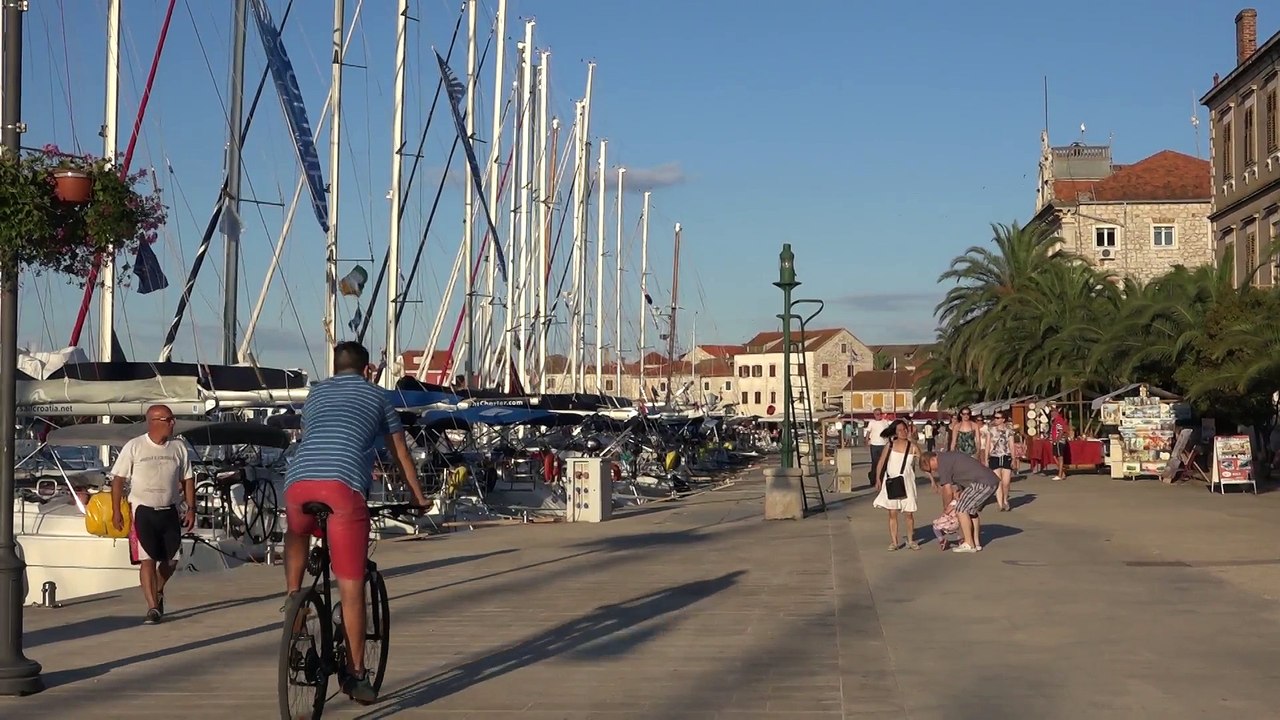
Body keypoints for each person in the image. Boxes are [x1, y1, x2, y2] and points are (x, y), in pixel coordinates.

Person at [284, 341, 429, 704]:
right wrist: (418, 497)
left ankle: (293, 603)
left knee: (297, 531)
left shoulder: (315, 396)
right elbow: (399, 452)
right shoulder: (379, 397)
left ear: (334, 368)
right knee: (351, 589)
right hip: (342, 486)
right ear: (368, 370)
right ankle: (357, 674)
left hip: (297, 482)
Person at [110, 404, 196, 624]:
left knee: (172, 560)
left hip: (170, 510)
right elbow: (118, 479)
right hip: (142, 511)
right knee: (147, 560)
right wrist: (116, 510)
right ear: (155, 422)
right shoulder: (135, 446)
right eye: (169, 419)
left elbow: (188, 479)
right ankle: (152, 607)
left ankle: (157, 589)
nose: (173, 423)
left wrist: (191, 508)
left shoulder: (178, 448)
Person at [920, 451, 1000, 553]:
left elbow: (947, 490)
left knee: (961, 508)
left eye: (931, 468)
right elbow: (962, 474)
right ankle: (976, 543)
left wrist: (946, 510)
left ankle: (969, 544)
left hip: (982, 482)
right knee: (971, 512)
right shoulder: (948, 457)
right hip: (989, 480)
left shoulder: (942, 462)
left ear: (932, 459)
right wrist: (960, 491)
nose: (933, 471)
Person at [872, 419, 921, 551]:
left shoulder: (913, 446)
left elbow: (923, 462)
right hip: (892, 481)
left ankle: (911, 541)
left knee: (909, 513)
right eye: (899, 430)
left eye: (905, 429)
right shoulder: (890, 445)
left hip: (908, 482)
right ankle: (894, 542)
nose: (903, 432)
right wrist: (878, 479)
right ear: (895, 432)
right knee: (892, 513)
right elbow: (881, 462)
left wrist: (933, 480)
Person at [984, 411, 1016, 511]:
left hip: (1006, 456)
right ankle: (1000, 504)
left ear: (1003, 419)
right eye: (995, 417)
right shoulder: (991, 430)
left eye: (998, 418)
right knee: (998, 481)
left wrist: (1014, 458)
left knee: (1006, 482)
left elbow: (1011, 445)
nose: (996, 419)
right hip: (994, 456)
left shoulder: (1009, 430)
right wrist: (985, 459)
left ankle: (1005, 499)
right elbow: (987, 445)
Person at [865, 408, 892, 486]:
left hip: (884, 445)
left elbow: (888, 432)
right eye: (877, 414)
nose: (878, 415)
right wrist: (866, 441)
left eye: (880, 414)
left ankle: (882, 479)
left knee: (884, 463)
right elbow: (868, 432)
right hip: (874, 445)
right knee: (875, 463)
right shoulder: (871, 422)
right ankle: (873, 479)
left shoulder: (885, 422)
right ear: (874, 415)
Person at [1048, 404, 1070, 480]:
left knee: (1060, 457)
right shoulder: (1054, 420)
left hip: (1059, 441)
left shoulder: (1059, 419)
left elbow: (1061, 431)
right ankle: (1062, 472)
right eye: (1051, 412)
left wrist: (1057, 440)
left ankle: (1060, 474)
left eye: (1053, 412)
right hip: (1055, 441)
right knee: (1054, 456)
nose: (1052, 414)